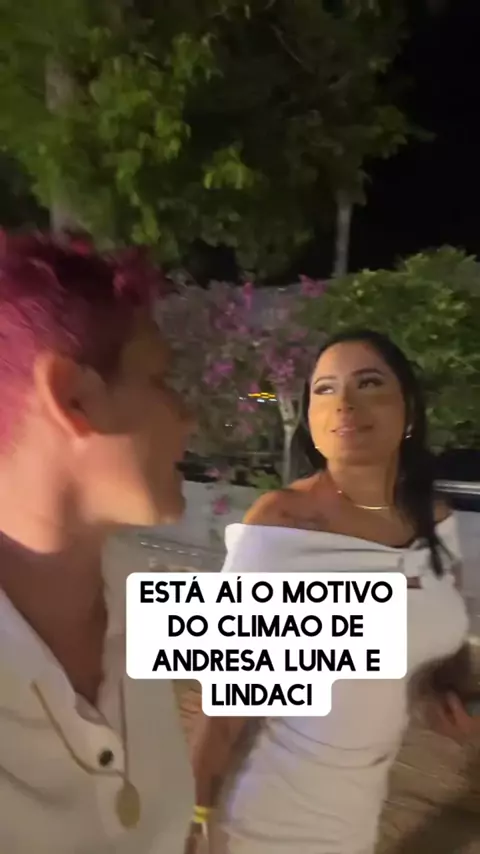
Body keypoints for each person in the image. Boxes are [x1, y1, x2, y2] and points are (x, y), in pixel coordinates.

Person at [188, 329, 479, 854]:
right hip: (265, 820)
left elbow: (437, 632)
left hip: (357, 817)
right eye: (325, 389)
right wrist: (190, 818)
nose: (344, 402)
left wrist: (446, 689)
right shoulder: (282, 524)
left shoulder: (436, 521)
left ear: (408, 410)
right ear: (310, 418)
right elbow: (224, 706)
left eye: (368, 383)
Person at [0, 232, 194, 852]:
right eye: (161, 378)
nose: (187, 416)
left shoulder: (135, 595)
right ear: (73, 397)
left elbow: (334, 634)